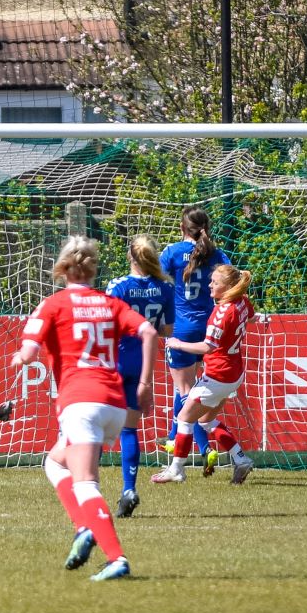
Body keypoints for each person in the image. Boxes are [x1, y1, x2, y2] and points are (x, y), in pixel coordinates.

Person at [11, 235, 159, 582]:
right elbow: (150, 332)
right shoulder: (109, 303)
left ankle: (116, 558)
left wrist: (20, 357)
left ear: (63, 269)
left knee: (86, 483)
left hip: (82, 403)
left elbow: (30, 352)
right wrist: (145, 384)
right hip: (114, 404)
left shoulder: (52, 305)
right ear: (93, 269)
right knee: (54, 462)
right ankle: (83, 527)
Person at [152, 264, 256, 485]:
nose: (210, 285)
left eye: (215, 282)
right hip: (234, 374)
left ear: (227, 286)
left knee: (184, 418)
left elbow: (207, 347)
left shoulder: (222, 312)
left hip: (218, 375)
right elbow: (251, 317)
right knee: (205, 420)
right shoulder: (243, 302)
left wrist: (179, 344)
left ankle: (176, 469)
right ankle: (240, 459)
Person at [157, 206, 230, 477]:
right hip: (211, 327)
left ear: (181, 228)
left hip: (182, 328)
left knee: (186, 390)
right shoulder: (218, 254)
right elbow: (233, 282)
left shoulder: (172, 252)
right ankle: (174, 437)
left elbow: (158, 284)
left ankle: (201, 447)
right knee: (191, 391)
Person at [105, 235, 174, 518]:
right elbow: (168, 331)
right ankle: (128, 489)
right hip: (143, 362)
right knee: (129, 430)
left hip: (116, 360)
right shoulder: (165, 288)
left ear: (130, 257)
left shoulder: (118, 286)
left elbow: (106, 325)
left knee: (97, 429)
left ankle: (87, 493)